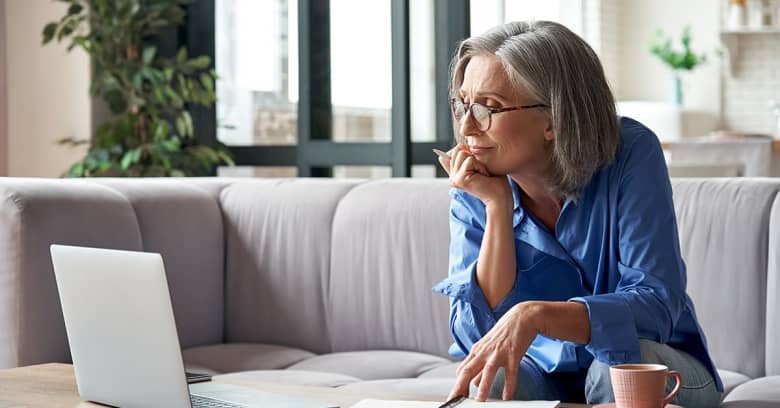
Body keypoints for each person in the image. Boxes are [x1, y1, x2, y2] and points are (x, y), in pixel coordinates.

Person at [431, 20, 723, 406]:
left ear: (553, 118)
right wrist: (497, 208)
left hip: (656, 364)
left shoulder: (631, 153)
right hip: (545, 373)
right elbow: (476, 336)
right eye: (462, 104)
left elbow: (656, 304)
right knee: (494, 378)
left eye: (489, 107)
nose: (467, 126)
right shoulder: (477, 181)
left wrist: (536, 315)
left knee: (614, 369)